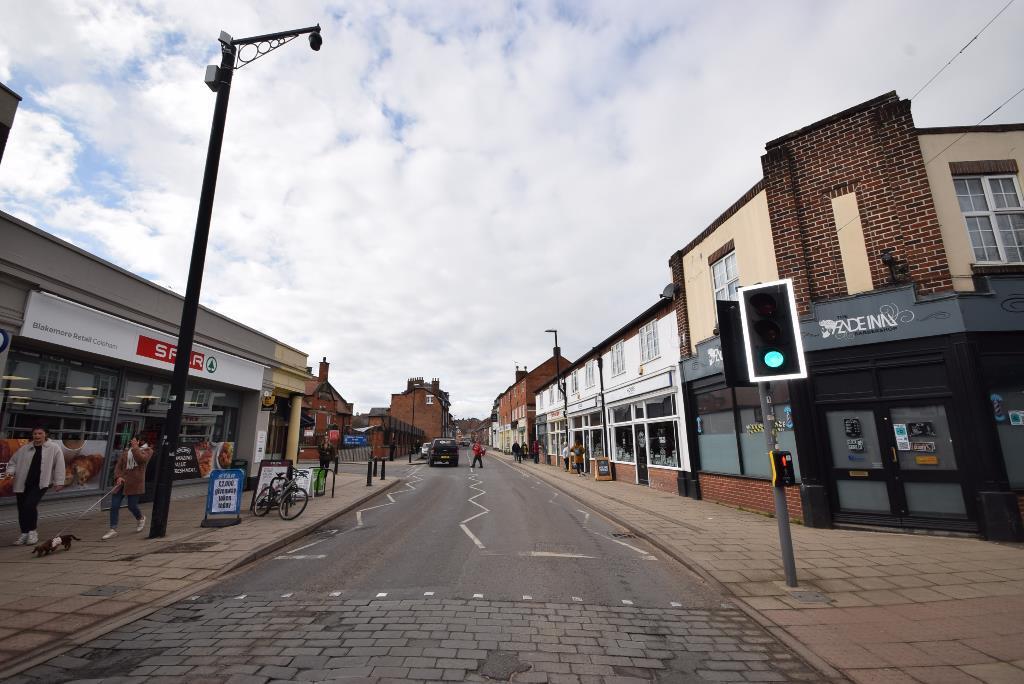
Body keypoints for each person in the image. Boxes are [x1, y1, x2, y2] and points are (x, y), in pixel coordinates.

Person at [8, 426, 65, 546]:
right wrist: (11, 471)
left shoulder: (53, 448)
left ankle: (32, 532)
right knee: (22, 508)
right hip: (23, 483)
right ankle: (24, 533)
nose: (37, 436)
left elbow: (59, 465)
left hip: (40, 483)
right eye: (35, 434)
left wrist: (59, 482)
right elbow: (13, 462)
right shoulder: (25, 448)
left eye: (40, 433)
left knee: (30, 505)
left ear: (46, 434)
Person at [103, 436, 153, 540]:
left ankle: (141, 518)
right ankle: (113, 529)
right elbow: (118, 466)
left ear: (139, 441)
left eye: (134, 441)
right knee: (114, 506)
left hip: (135, 483)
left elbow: (141, 460)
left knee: (131, 506)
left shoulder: (147, 451)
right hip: (121, 483)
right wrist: (118, 476)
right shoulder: (126, 452)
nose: (132, 442)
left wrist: (135, 448)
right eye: (131, 441)